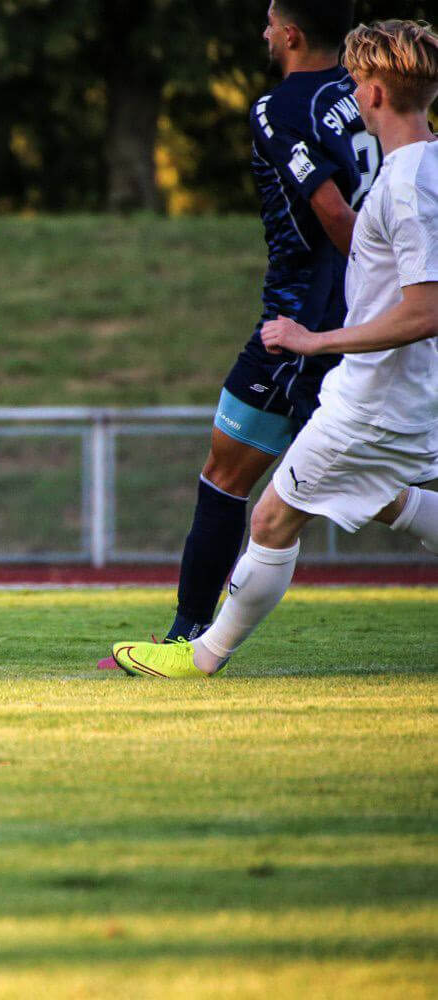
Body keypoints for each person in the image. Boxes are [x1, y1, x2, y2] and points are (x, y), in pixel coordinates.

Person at [112, 18, 438, 678]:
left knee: (268, 517)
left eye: (358, 83)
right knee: (378, 495)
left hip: (369, 391)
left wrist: (314, 338)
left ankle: (198, 653)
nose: (350, 92)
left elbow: (425, 309)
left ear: (376, 93)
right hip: (394, 387)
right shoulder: (421, 165)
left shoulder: (403, 184)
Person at [154, 0, 380, 646]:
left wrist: (369, 290)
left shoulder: (278, 107)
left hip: (301, 322)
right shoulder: (367, 90)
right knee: (363, 481)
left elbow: (333, 215)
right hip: (357, 315)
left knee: (250, 482)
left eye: (270, 22)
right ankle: (190, 637)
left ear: (292, 34)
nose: (264, 32)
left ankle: (186, 638)